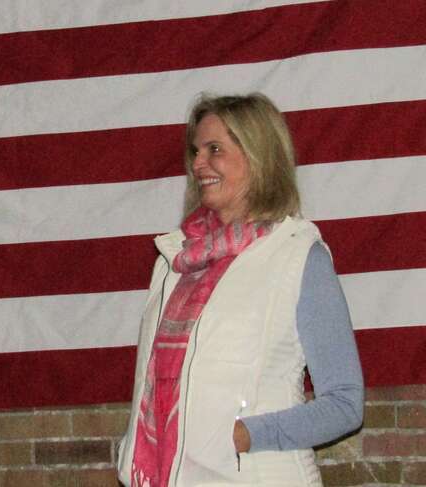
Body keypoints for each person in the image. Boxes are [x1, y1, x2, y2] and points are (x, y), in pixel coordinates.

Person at [117, 93, 363, 486]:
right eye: (196, 151)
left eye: (214, 149)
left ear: (258, 155)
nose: (198, 164)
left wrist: (243, 437)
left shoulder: (299, 255)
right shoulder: (173, 260)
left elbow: (345, 403)